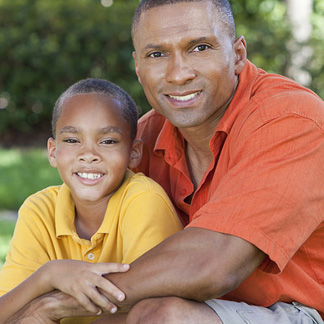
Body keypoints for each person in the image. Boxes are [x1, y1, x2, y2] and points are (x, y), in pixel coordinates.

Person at [3, 0, 324, 323]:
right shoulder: (142, 140)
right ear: (138, 66)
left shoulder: (291, 120)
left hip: (298, 311)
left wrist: (55, 305)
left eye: (199, 47)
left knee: (162, 316)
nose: (178, 74)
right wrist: (48, 280)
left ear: (238, 55)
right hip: (200, 307)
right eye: (157, 54)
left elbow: (212, 263)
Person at [0, 78, 182, 324]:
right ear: (53, 152)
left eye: (107, 141)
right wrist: (48, 275)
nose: (88, 155)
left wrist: (43, 311)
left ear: (134, 153)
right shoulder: (39, 210)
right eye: (72, 140)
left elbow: (150, 309)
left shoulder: (143, 200)